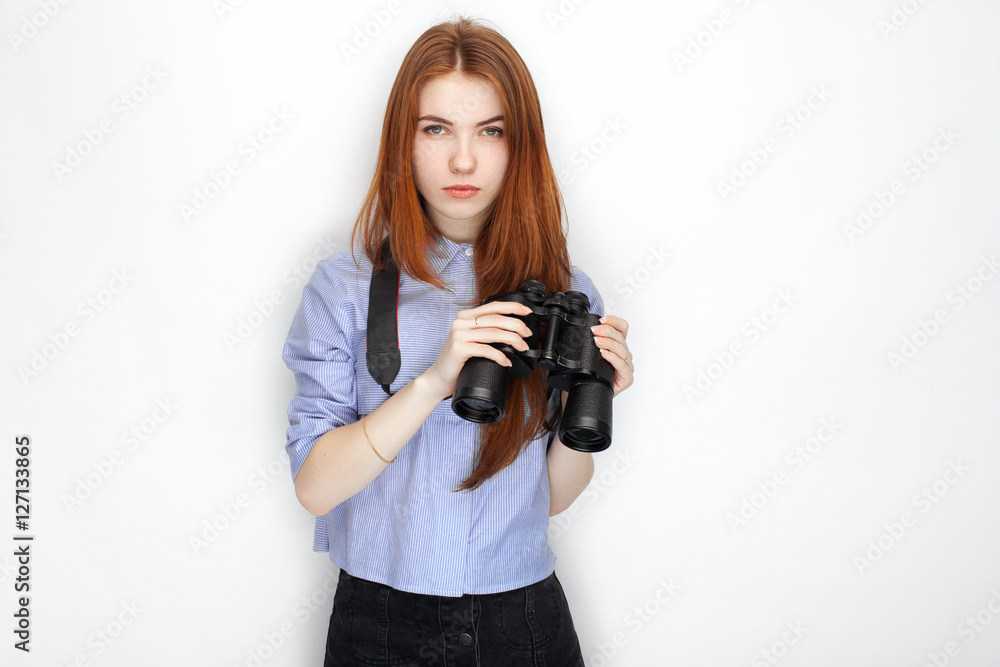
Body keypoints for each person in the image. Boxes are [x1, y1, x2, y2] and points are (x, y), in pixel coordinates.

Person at [282, 16, 634, 666]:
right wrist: (435, 379)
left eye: (490, 131)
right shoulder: (344, 286)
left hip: (523, 617)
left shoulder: (564, 293)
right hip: (378, 620)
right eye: (436, 128)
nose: (463, 159)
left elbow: (550, 495)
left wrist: (595, 394)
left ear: (518, 144)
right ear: (403, 141)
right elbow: (315, 487)